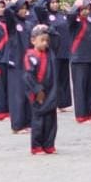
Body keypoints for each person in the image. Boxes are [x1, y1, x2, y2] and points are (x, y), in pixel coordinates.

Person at [2, 0, 38, 134]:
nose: (23, 11)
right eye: (20, 8)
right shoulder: (13, 24)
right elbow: (8, 11)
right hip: (15, 62)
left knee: (27, 93)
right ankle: (17, 125)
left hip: (27, 62)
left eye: (25, 8)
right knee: (16, 94)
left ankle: (28, 122)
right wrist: (15, 0)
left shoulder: (29, 24)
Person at [23, 24, 59, 154]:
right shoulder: (30, 55)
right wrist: (37, 90)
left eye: (47, 41)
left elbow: (57, 39)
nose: (45, 43)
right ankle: (37, 146)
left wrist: (49, 29)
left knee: (51, 120)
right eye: (42, 40)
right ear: (33, 41)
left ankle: (49, 144)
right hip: (38, 93)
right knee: (39, 120)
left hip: (51, 91)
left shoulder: (50, 53)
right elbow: (28, 75)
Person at [35, 0, 73, 113]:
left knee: (64, 78)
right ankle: (52, 103)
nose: (55, 5)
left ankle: (63, 103)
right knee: (53, 79)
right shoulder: (45, 16)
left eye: (56, 2)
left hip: (65, 51)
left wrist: (70, 10)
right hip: (53, 52)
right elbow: (38, 7)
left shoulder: (62, 15)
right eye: (52, 2)